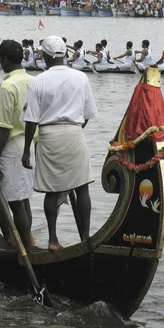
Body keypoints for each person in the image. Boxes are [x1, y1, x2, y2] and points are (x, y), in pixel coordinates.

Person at [21, 35, 98, 251]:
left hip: (48, 136)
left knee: (51, 190)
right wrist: (73, 130)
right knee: (82, 187)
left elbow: (31, 120)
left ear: (44, 56)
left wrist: (26, 150)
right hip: (74, 133)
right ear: (64, 55)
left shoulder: (39, 80)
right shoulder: (81, 77)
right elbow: (88, 113)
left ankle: (53, 240)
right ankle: (85, 238)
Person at [0, 40, 35, 248]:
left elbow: (4, 127)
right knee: (23, 199)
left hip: (12, 145)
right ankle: (27, 243)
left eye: (0, 59)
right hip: (28, 145)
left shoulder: (7, 86)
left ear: (5, 60)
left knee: (15, 202)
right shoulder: (33, 81)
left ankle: (25, 248)